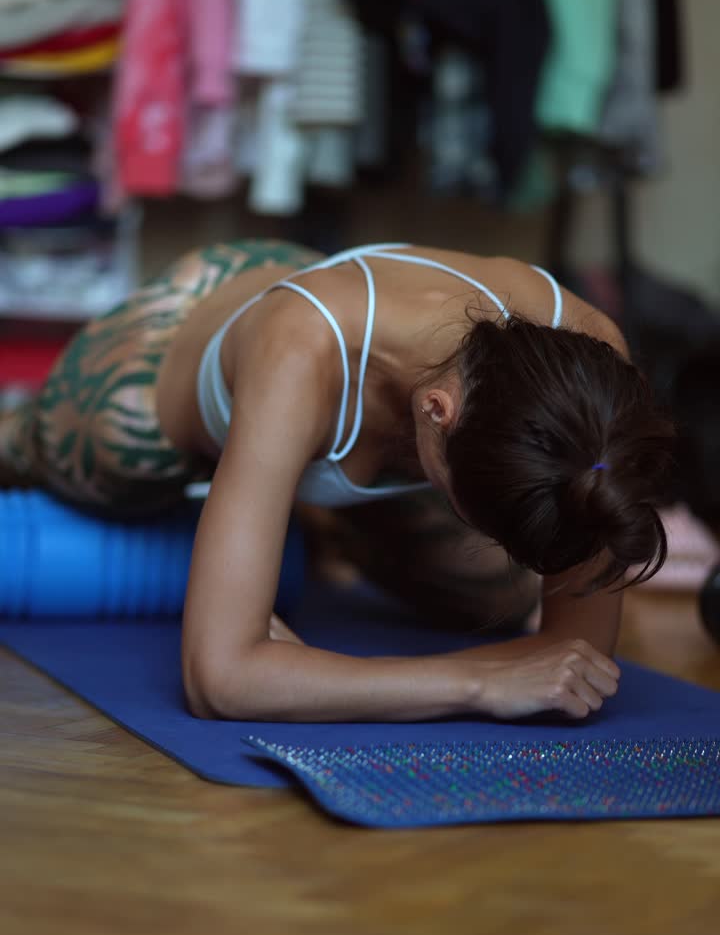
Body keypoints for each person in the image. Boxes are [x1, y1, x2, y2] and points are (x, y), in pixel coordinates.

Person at [0, 238, 675, 723]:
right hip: (165, 363)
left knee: (484, 598)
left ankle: (299, 513)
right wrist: (474, 681)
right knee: (47, 457)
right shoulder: (305, 351)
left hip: (331, 393)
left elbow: (574, 655)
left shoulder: (589, 377)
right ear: (436, 412)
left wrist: (309, 675)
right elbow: (218, 679)